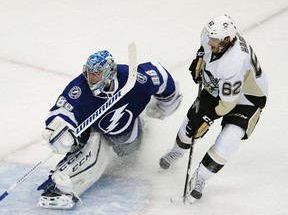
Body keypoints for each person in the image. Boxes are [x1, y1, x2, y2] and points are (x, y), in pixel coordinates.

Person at [37, 50, 182, 209]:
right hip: (95, 130)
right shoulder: (79, 89)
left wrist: (167, 103)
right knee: (92, 144)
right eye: (89, 73)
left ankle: (143, 123)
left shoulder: (134, 80)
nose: (91, 78)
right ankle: (65, 179)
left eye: (96, 74)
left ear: (110, 73)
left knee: (129, 157)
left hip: (128, 134)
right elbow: (62, 111)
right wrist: (57, 127)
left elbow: (160, 73)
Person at [159, 14, 268, 202]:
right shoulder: (213, 37)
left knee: (229, 140)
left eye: (214, 39)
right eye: (209, 36)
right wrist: (200, 57)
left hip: (248, 98)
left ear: (227, 40)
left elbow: (227, 104)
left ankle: (200, 178)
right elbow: (204, 47)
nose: (209, 40)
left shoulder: (234, 62)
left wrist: (207, 118)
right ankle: (177, 149)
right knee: (189, 125)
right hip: (219, 85)